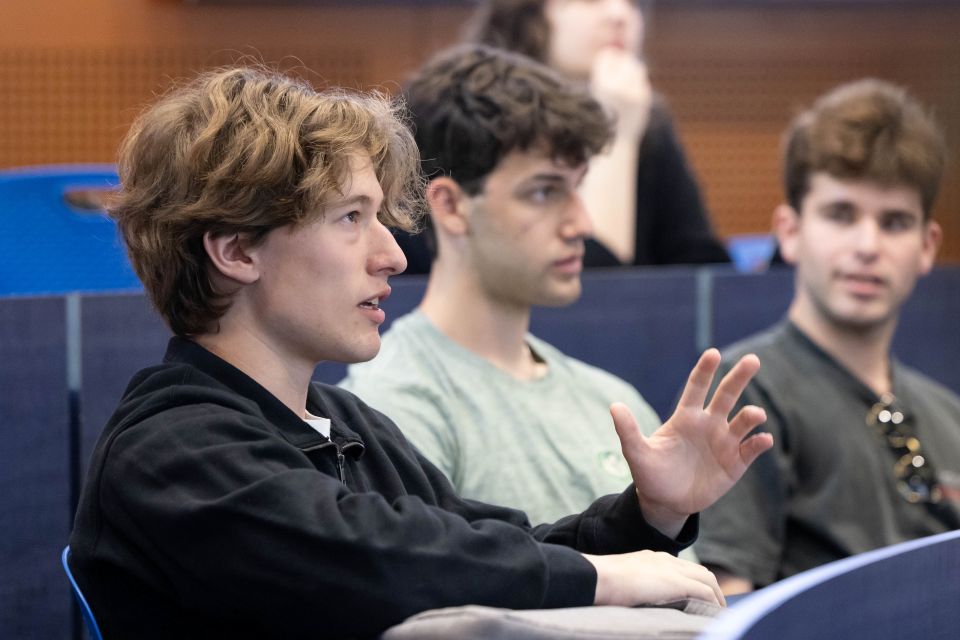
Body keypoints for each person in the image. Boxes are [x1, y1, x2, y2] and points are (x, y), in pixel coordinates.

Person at [67, 64, 772, 639]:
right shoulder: (170, 450)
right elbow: (377, 563)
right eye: (351, 219)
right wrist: (605, 580)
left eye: (381, 217)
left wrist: (648, 517)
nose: (393, 256)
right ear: (236, 248)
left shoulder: (347, 425)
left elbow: (496, 546)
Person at [343, 44, 665, 528]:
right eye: (544, 191)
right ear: (451, 206)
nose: (581, 223)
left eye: (577, 187)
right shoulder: (392, 405)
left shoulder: (613, 399)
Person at [694, 79, 960, 595]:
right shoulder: (746, 389)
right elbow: (727, 600)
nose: (867, 246)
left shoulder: (951, 416)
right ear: (789, 232)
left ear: (927, 246)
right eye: (841, 215)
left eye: (895, 222)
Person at [395, 0, 730, 273]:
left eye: (632, 3)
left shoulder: (648, 123)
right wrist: (617, 138)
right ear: (529, 14)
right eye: (589, 1)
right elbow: (586, 289)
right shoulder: (451, 110)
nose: (619, 14)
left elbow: (703, 272)